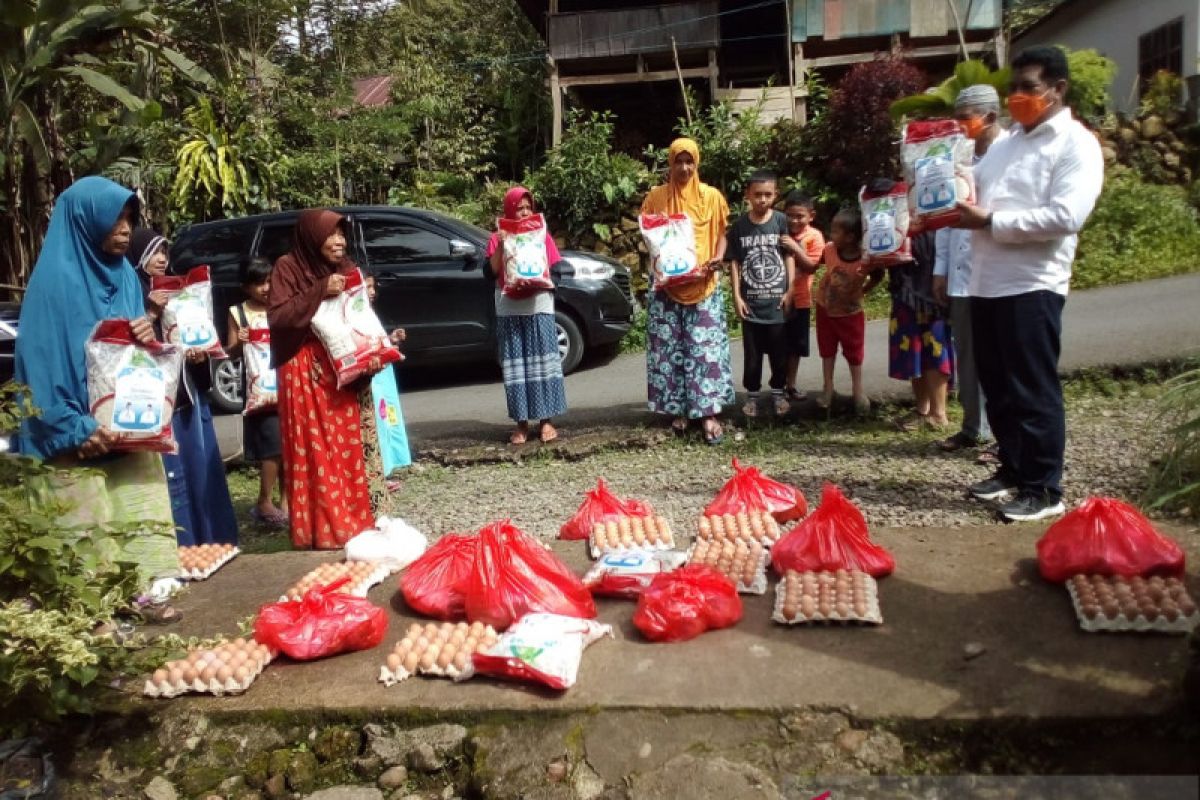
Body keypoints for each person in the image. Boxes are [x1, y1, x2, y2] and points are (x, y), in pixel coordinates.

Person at [15, 176, 180, 620]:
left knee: (136, 512)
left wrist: (144, 330)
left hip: (125, 427)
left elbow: (130, 356)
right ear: (86, 222)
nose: (125, 229)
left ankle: (144, 598)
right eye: (115, 219)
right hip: (73, 435)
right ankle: (96, 616)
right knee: (86, 533)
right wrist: (76, 428)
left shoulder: (126, 276)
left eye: (129, 218)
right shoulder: (54, 286)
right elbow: (40, 370)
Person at [955, 46, 1105, 522]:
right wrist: (935, 176)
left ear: (1057, 89)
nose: (1018, 96)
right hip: (986, 281)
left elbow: (1067, 215)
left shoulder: (1075, 145)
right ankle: (1013, 468)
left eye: (1029, 87)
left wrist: (991, 219)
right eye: (1013, 87)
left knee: (1031, 387)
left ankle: (1044, 487)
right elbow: (971, 183)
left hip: (1032, 284)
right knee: (997, 385)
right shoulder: (1009, 142)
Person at [268, 209, 379, 549]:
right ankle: (324, 530)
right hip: (304, 368)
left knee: (345, 445)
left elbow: (354, 316)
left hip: (340, 366)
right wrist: (319, 290)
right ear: (313, 236)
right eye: (331, 234)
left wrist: (363, 295)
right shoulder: (287, 267)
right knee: (317, 451)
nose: (339, 241)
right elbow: (279, 316)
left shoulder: (343, 268)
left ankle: (353, 522)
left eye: (342, 235)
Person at [131, 229, 239, 547]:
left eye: (164, 251)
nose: (162, 259)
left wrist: (197, 354)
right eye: (153, 253)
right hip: (155, 401)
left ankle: (211, 540)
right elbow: (128, 348)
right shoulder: (131, 293)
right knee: (173, 476)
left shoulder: (180, 293)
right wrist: (149, 312)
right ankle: (183, 544)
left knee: (199, 469)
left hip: (188, 395)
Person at [641, 137, 734, 444]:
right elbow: (649, 238)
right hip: (668, 290)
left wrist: (719, 257)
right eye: (678, 161)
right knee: (671, 353)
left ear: (697, 162)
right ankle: (678, 410)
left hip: (703, 286)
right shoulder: (657, 197)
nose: (684, 167)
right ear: (670, 162)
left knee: (704, 353)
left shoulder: (711, 197)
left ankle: (707, 413)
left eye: (689, 161)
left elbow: (721, 233)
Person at [934, 83, 1009, 457]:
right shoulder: (957, 157)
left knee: (1002, 358)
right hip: (964, 278)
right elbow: (948, 219)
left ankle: (1004, 437)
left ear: (990, 117)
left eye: (966, 117)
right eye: (958, 117)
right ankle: (972, 427)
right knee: (966, 355)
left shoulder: (1009, 154)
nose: (960, 125)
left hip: (1001, 274)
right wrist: (940, 269)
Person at [485, 187, 568, 445]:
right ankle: (521, 424)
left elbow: (557, 269)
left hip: (538, 305)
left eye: (527, 207)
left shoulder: (541, 234)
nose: (524, 212)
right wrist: (502, 241)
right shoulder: (496, 237)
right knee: (515, 367)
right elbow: (489, 273)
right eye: (518, 208)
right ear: (509, 210)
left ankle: (546, 422)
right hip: (509, 307)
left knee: (543, 364)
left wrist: (544, 283)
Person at [727, 170, 795, 417]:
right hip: (751, 304)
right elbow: (734, 262)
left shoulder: (780, 221)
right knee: (752, 357)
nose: (762, 200)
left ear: (776, 195)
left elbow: (789, 256)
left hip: (777, 302)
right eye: (757, 195)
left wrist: (790, 290)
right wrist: (736, 296)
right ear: (748, 195)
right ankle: (752, 396)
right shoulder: (739, 227)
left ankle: (778, 393)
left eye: (768, 194)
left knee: (779, 354)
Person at [225, 257, 287, 527]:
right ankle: (264, 500)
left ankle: (286, 502)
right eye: (258, 283)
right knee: (271, 447)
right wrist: (238, 343)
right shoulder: (237, 313)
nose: (265, 288)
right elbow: (230, 352)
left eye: (268, 281)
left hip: (286, 385)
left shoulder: (282, 306)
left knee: (289, 446)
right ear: (245, 287)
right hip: (259, 391)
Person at [812, 208, 883, 413]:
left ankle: (857, 389)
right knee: (827, 349)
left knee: (854, 351)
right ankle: (828, 387)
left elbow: (878, 276)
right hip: (825, 308)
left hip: (851, 312)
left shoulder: (866, 258)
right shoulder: (829, 249)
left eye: (835, 231)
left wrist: (863, 291)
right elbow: (817, 265)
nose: (831, 235)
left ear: (851, 237)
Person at [887, 224, 955, 431]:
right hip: (904, 280)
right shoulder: (892, 195)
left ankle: (939, 412)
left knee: (934, 345)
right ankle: (922, 409)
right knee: (911, 348)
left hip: (932, 277)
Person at [364, 273, 412, 485]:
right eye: (367, 288)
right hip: (372, 372)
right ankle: (377, 471)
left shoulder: (368, 313)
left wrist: (391, 340)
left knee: (386, 417)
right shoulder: (354, 315)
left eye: (373, 287)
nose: (372, 292)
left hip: (383, 373)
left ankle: (387, 466)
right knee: (375, 419)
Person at [780, 192, 825, 402]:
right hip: (777, 299)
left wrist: (795, 247)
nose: (794, 221)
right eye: (790, 215)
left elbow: (811, 266)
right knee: (777, 344)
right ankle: (777, 386)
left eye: (799, 216)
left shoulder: (814, 237)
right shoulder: (779, 233)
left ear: (811, 216)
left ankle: (791, 384)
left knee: (795, 347)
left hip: (801, 299)